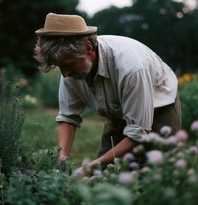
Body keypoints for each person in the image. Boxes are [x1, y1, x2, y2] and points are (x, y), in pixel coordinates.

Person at [33, 13, 181, 176]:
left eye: (68, 65)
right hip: (118, 114)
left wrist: (91, 167)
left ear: (88, 48)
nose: (65, 74)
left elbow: (137, 133)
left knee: (157, 174)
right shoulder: (70, 67)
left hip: (160, 108)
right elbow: (68, 118)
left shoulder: (131, 69)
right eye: (59, 66)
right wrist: (62, 159)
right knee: (105, 174)